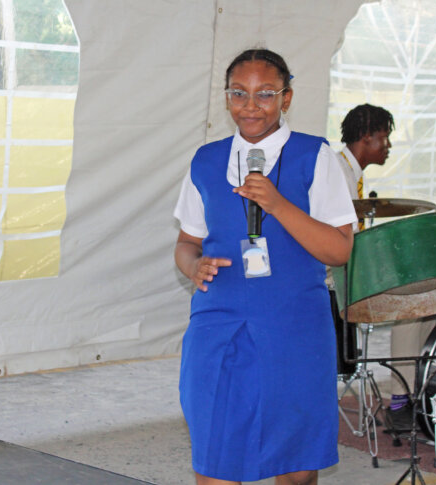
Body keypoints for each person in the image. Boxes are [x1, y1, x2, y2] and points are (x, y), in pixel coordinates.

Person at [173, 48, 357, 484]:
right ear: (226, 98)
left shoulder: (316, 156)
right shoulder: (206, 160)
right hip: (218, 322)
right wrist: (193, 265)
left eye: (265, 94)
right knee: (216, 457)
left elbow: (339, 250)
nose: (250, 106)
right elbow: (186, 242)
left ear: (286, 99)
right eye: (239, 93)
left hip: (294, 324)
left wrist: (277, 205)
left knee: (295, 468)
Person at [335, 104, 436, 432]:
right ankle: (399, 402)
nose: (389, 146)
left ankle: (417, 391)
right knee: (413, 308)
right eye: (385, 138)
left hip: (348, 267)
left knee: (432, 305)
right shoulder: (337, 172)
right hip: (334, 277)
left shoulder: (351, 173)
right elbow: (342, 239)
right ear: (366, 138)